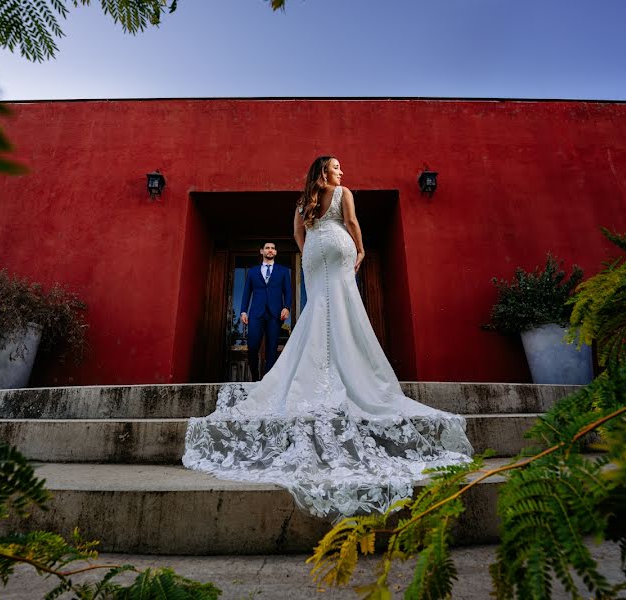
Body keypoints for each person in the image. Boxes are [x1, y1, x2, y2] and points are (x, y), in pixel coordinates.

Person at [184, 156, 473, 521]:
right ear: (325, 172)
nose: (342, 172)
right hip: (337, 243)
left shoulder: (304, 201)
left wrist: (309, 252)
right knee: (344, 306)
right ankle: (345, 365)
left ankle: (314, 368)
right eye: (337, 167)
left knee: (318, 307)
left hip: (314, 250)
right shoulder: (342, 193)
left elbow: (297, 236)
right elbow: (351, 222)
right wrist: (361, 248)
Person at [240, 242, 292, 381]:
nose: (270, 250)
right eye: (267, 248)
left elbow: (288, 291)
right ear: (261, 251)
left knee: (272, 348)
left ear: (275, 252)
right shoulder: (252, 271)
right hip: (256, 313)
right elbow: (246, 293)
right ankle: (255, 377)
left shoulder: (283, 271)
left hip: (275, 314)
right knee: (252, 346)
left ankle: (267, 381)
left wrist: (286, 307)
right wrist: (243, 311)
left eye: (273, 248)